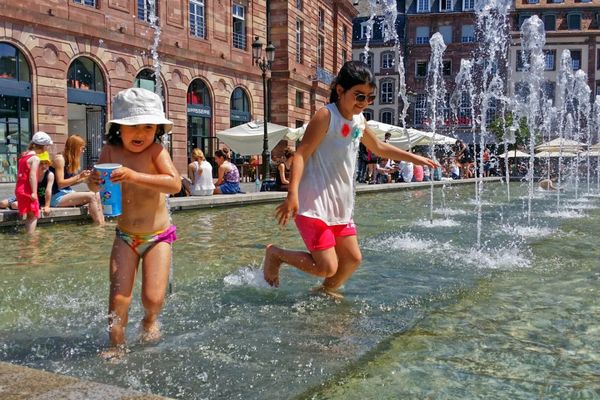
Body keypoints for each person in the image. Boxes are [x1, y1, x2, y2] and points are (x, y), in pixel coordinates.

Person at [262, 61, 438, 295]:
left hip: (340, 204)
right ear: (340, 90)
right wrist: (292, 192)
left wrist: (415, 158)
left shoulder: (359, 120)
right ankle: (276, 254)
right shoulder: (326, 116)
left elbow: (380, 148)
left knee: (353, 259)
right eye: (358, 96)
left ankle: (324, 293)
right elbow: (301, 154)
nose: (363, 103)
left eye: (369, 98)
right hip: (313, 202)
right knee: (327, 266)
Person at [88, 87, 181, 358]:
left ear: (157, 130)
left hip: (158, 237)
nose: (140, 133)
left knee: (153, 299)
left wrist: (133, 176)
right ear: (118, 128)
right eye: (133, 127)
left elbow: (174, 183)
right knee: (118, 300)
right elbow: (95, 185)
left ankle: (149, 320)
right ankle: (116, 345)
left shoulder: (156, 151)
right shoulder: (110, 150)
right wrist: (92, 181)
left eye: (148, 127)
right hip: (125, 236)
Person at [50, 135, 105, 225]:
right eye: (82, 148)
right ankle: (99, 226)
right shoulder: (60, 159)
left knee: (97, 194)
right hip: (56, 197)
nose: (83, 151)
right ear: (75, 148)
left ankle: (102, 223)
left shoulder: (69, 160)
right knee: (92, 196)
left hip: (66, 193)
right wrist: (79, 176)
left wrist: (85, 179)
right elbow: (60, 184)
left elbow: (68, 183)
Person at [14, 132, 53, 234]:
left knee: (28, 214)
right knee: (33, 216)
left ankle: (25, 233)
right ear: (44, 146)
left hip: (19, 190)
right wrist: (34, 192)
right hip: (28, 191)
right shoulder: (35, 158)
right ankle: (31, 239)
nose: (48, 148)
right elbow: (32, 176)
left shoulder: (23, 157)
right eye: (48, 146)